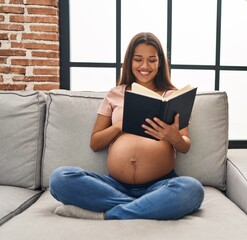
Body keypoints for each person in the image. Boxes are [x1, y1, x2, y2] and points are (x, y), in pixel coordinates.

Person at [49, 32, 204, 220]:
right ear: (129, 61)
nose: (145, 66)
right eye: (138, 59)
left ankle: (109, 214)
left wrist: (173, 136)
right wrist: (119, 126)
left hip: (161, 185)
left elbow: (185, 146)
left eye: (152, 60)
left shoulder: (173, 96)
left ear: (160, 63)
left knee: (192, 189)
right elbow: (95, 143)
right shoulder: (115, 94)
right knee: (60, 178)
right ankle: (149, 206)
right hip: (115, 186)